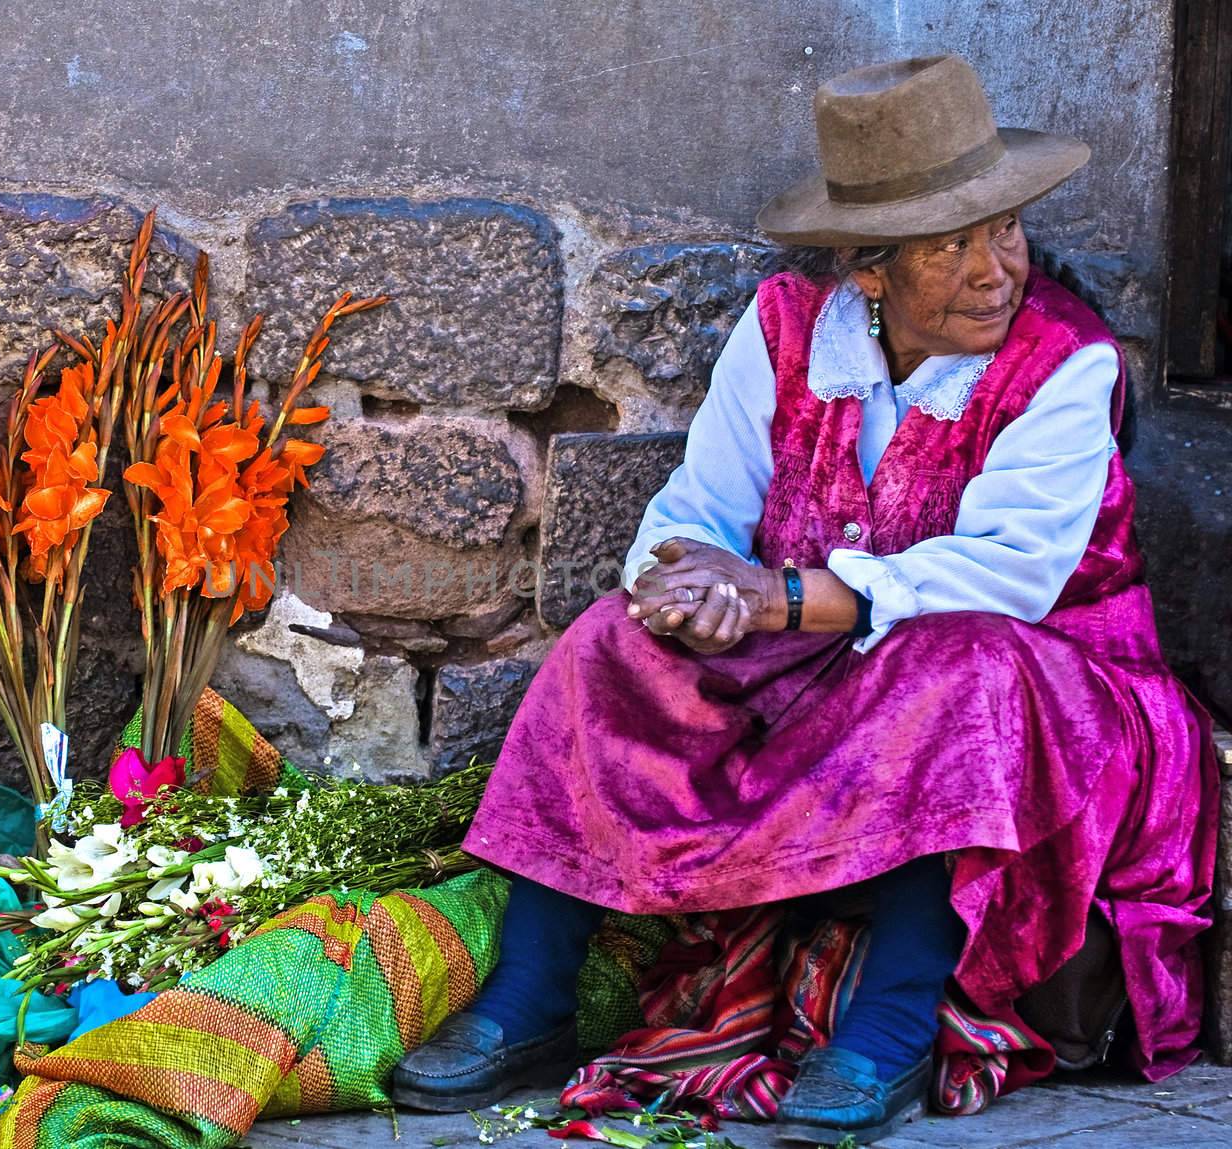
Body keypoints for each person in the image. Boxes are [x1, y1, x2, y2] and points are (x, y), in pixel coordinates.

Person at [391, 55, 1218, 1145]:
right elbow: (707, 497)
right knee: (606, 644)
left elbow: (1009, 573)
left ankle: (889, 1027)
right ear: (866, 272)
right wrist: (686, 579)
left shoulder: (1065, 362)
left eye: (1003, 230)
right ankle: (529, 999)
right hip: (824, 663)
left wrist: (778, 598)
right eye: (948, 245)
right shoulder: (788, 329)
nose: (993, 270)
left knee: (956, 669)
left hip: (1051, 688)